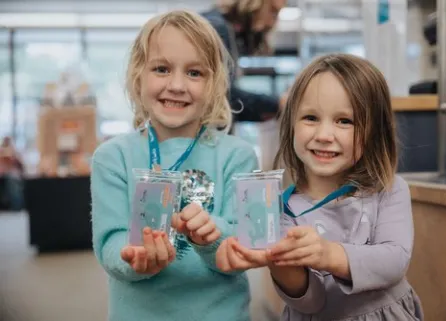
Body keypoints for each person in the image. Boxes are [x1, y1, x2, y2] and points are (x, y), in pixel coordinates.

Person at [216, 53, 424, 321]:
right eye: (311, 118)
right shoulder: (279, 209)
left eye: (344, 121)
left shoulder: (389, 189)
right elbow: (311, 301)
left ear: (374, 131)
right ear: (291, 124)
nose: (324, 136)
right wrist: (276, 260)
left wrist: (328, 254)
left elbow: (393, 261)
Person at [90, 10, 258, 321]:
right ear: (138, 76)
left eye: (195, 73)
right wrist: (134, 257)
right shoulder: (112, 157)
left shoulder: (239, 156)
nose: (177, 85)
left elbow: (245, 246)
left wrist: (213, 235)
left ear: (215, 83)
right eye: (162, 69)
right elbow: (110, 240)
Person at [202, 0, 287, 123]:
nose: (272, 21)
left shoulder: (226, 30)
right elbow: (223, 97)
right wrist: (276, 104)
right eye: (272, 11)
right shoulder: (217, 28)